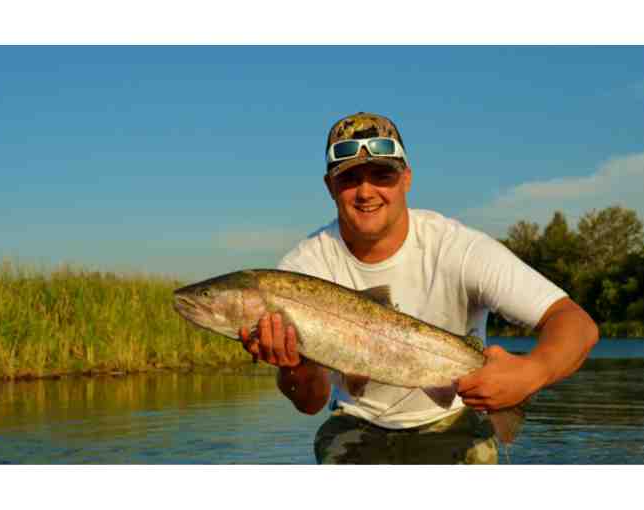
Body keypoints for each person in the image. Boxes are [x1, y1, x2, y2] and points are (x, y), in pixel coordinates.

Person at [239, 112, 599, 464]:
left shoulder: (459, 248)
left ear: (406, 179)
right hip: (354, 422)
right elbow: (311, 403)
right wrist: (294, 368)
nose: (366, 191)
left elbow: (576, 323)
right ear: (330, 186)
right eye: (349, 178)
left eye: (382, 175)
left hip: (455, 420)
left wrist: (531, 373)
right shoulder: (300, 271)